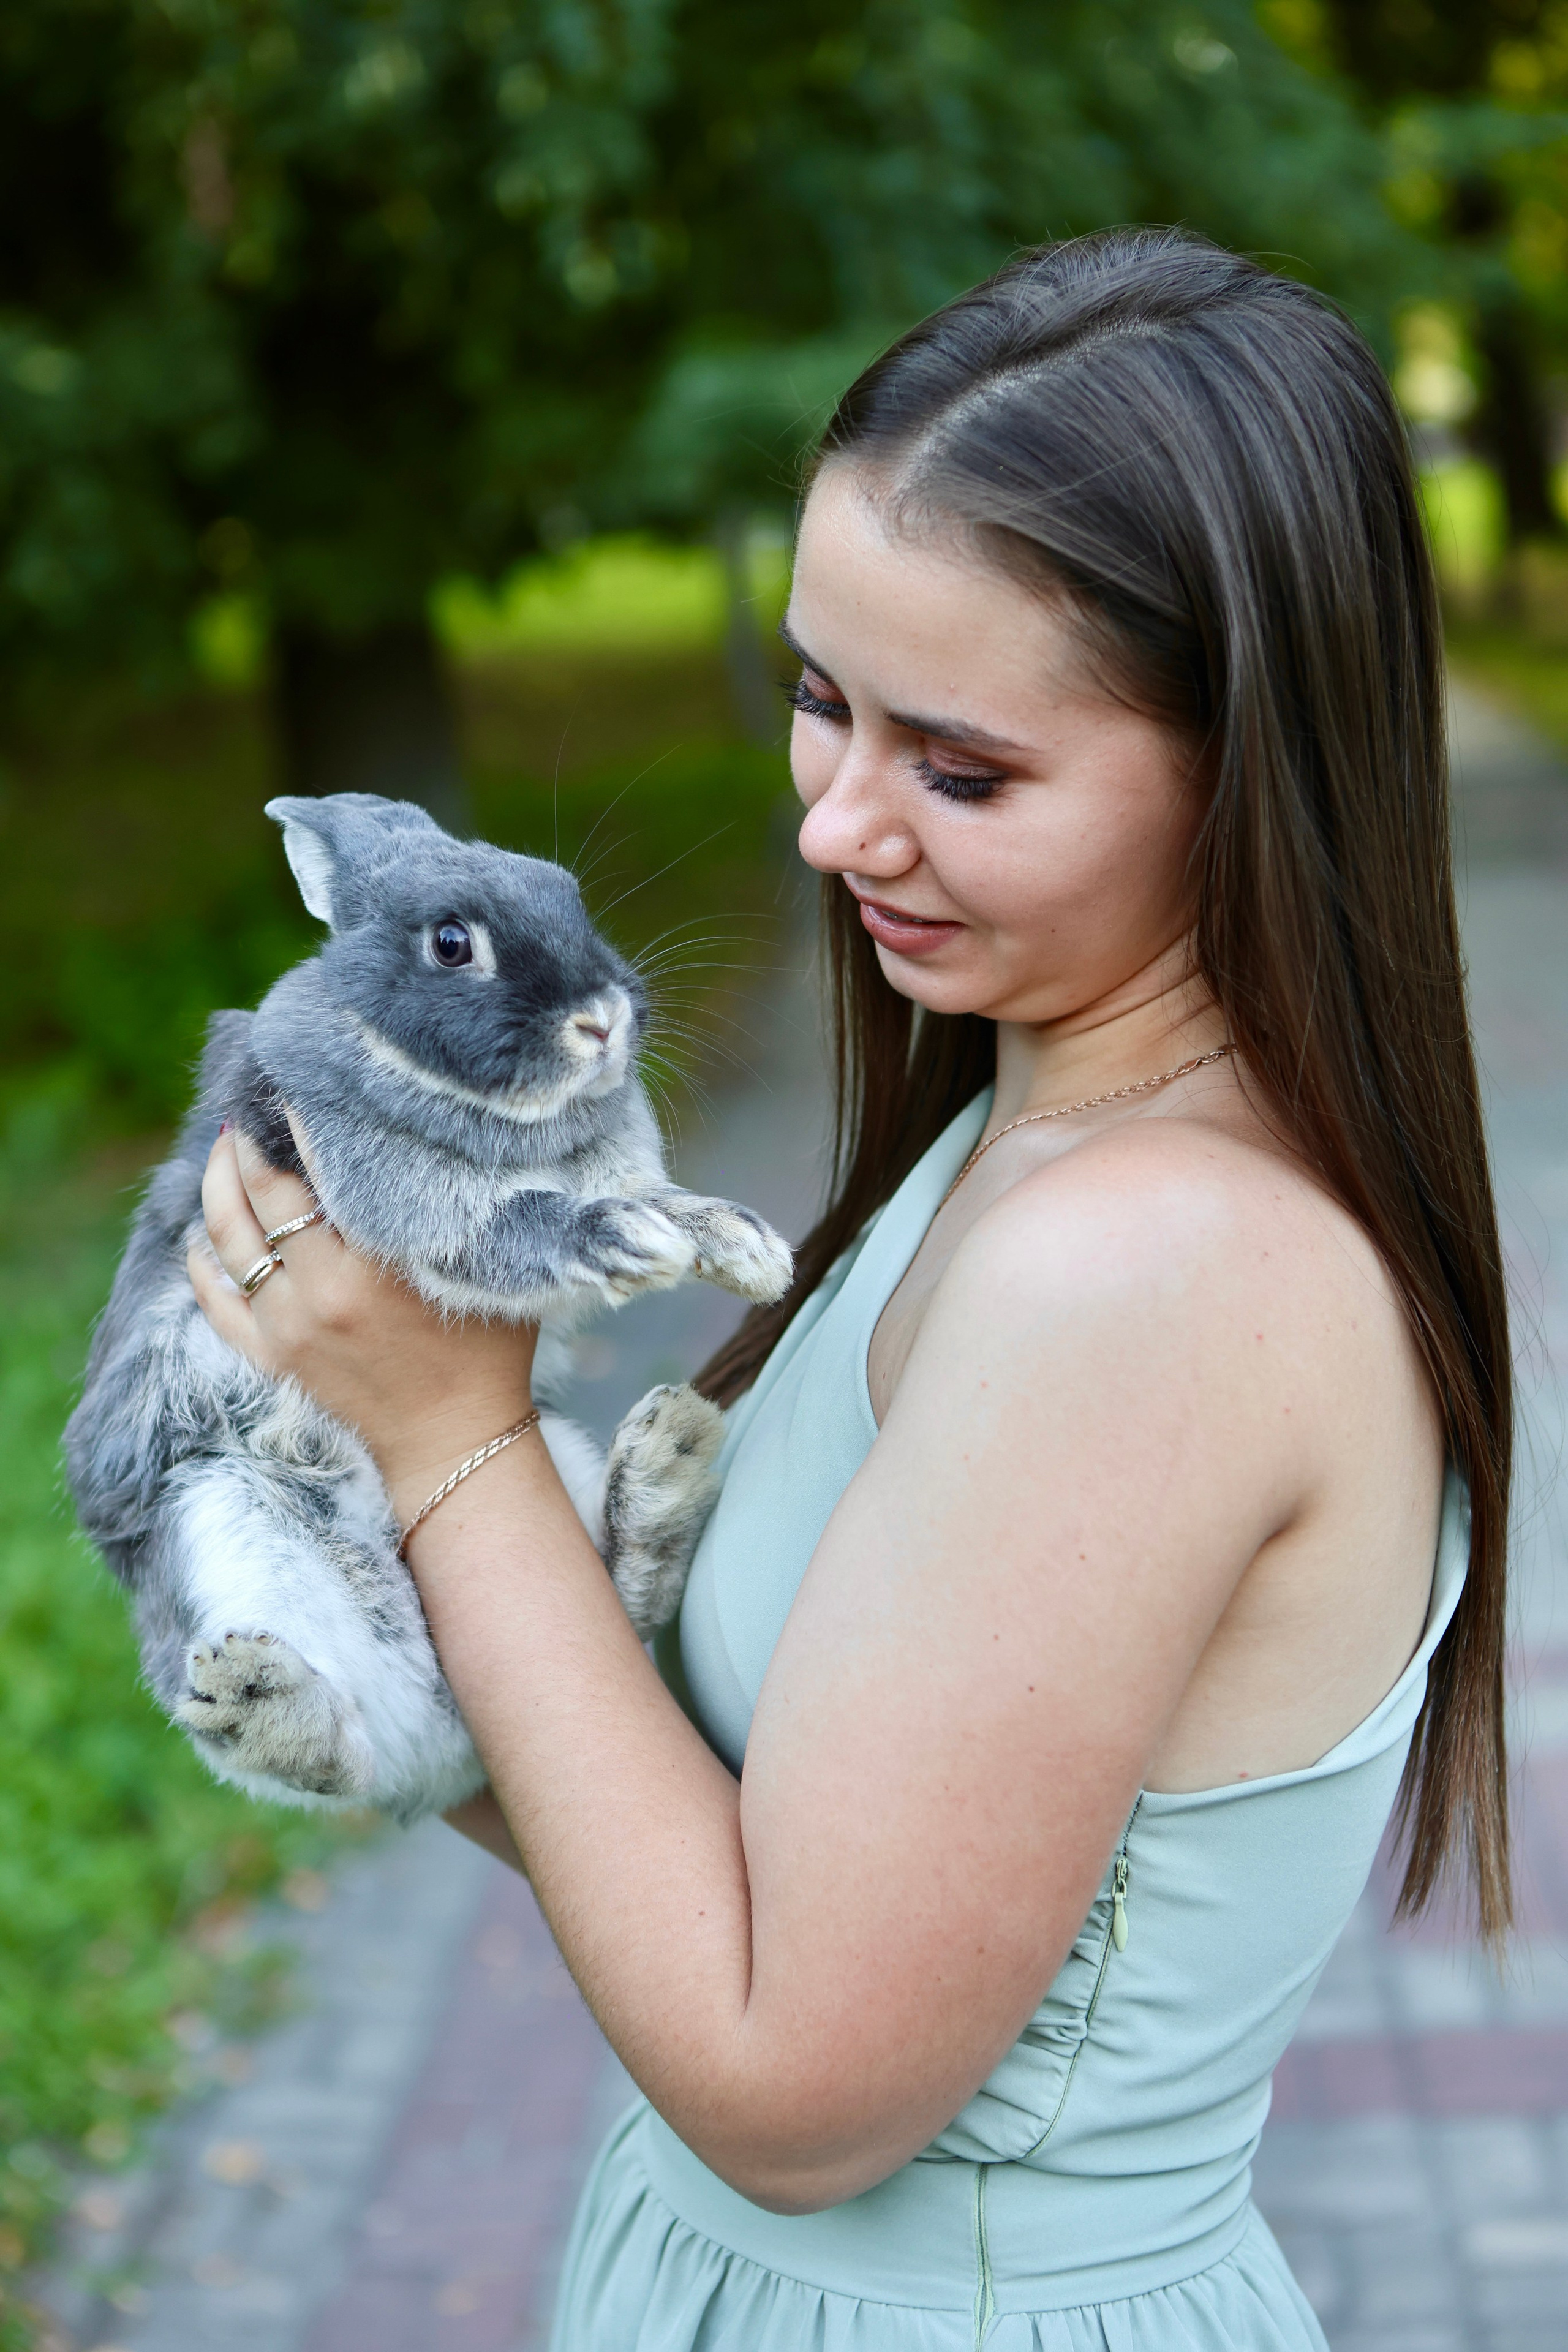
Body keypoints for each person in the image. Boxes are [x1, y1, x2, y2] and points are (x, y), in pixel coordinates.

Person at [190, 230, 1512, 2350]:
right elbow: (716, 1848)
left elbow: (797, 2096)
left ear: (1249, 759)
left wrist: (454, 1442)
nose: (833, 828)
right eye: (824, 701)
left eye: (959, 770)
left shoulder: (1149, 1269)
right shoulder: (1026, 1139)